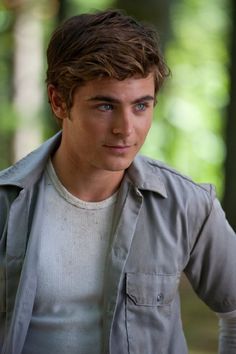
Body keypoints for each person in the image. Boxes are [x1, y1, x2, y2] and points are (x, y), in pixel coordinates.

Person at [0, 8, 236, 354]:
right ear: (58, 101)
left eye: (141, 106)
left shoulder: (187, 205)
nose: (126, 129)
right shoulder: (7, 203)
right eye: (105, 106)